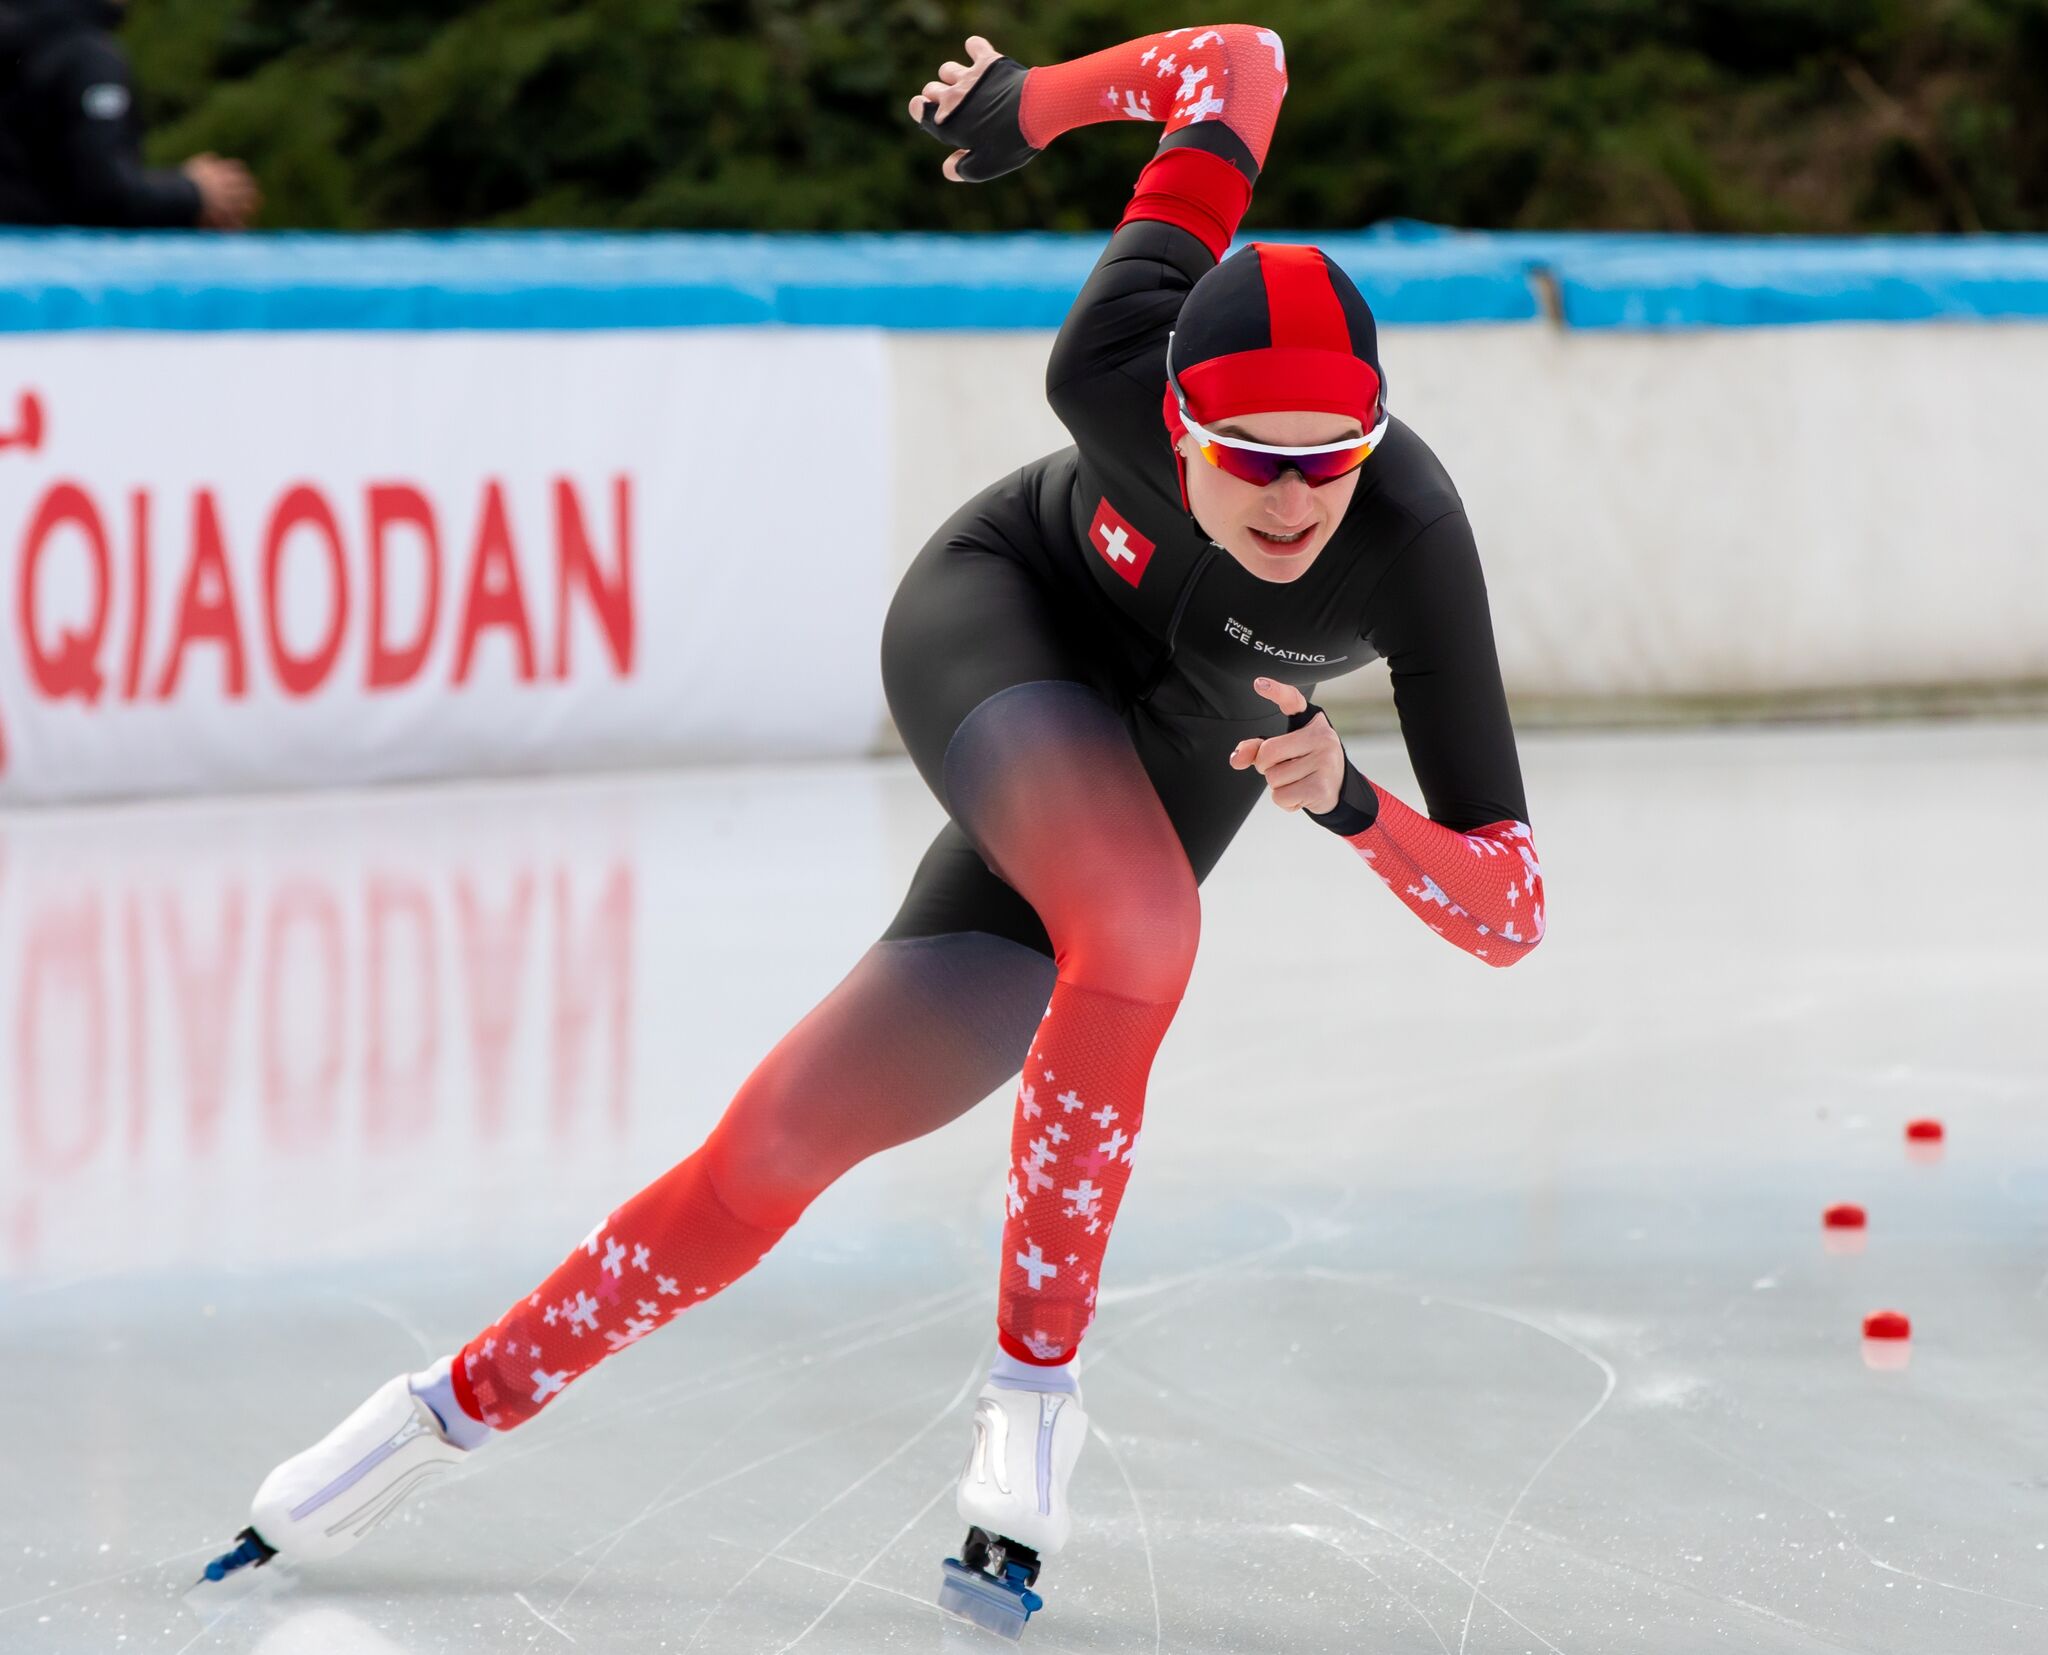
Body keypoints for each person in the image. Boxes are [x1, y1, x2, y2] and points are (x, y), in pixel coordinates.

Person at [203, 23, 1544, 1634]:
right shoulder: (1107, 359)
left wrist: (1355, 805)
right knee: (1140, 927)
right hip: (1008, 627)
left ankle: (441, 1405)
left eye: (1328, 458)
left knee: (776, 1144)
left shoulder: (1413, 540)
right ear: (1172, 420)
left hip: (1181, 762)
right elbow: (1237, 64)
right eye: (1248, 455)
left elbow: (1511, 908)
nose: (1288, 498)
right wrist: (1024, 110)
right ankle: (1034, 1399)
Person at [0, 0, 258, 227]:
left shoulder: (19, 32)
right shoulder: (88, 56)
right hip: (52, 270)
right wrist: (191, 194)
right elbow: (103, 193)